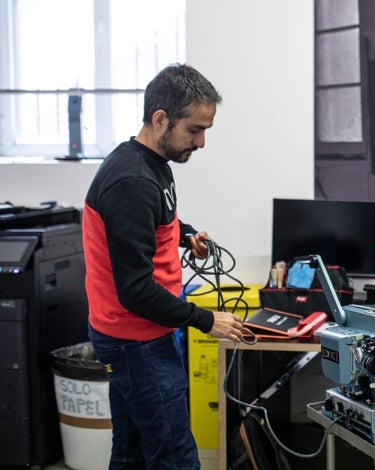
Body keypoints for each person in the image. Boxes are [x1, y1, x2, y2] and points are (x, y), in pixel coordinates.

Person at [82, 63, 245, 470]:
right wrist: (205, 320)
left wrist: (184, 234)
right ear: (160, 119)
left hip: (137, 335)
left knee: (132, 453)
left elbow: (153, 227)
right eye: (195, 129)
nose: (202, 141)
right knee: (174, 457)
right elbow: (135, 289)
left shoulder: (152, 165)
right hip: (135, 341)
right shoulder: (132, 181)